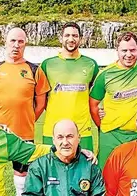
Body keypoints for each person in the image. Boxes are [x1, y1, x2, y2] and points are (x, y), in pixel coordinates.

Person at [0, 27, 50, 196]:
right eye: (13, 41)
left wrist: (26, 118)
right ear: (5, 42)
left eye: (20, 41)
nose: (16, 45)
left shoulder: (35, 71)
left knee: (22, 179)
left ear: (25, 44)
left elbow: (41, 103)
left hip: (23, 135)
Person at [89, 32, 137, 168]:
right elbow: (93, 104)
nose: (129, 54)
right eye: (124, 50)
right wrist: (102, 124)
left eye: (132, 50)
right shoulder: (105, 75)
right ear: (117, 51)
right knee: (107, 177)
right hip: (111, 135)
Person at [39, 22, 100, 151]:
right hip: (53, 130)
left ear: (81, 39)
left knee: (83, 169)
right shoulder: (47, 65)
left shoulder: (91, 65)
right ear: (61, 38)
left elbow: (96, 95)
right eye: (67, 35)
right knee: (52, 170)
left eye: (75, 36)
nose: (71, 39)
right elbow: (41, 99)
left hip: (83, 131)